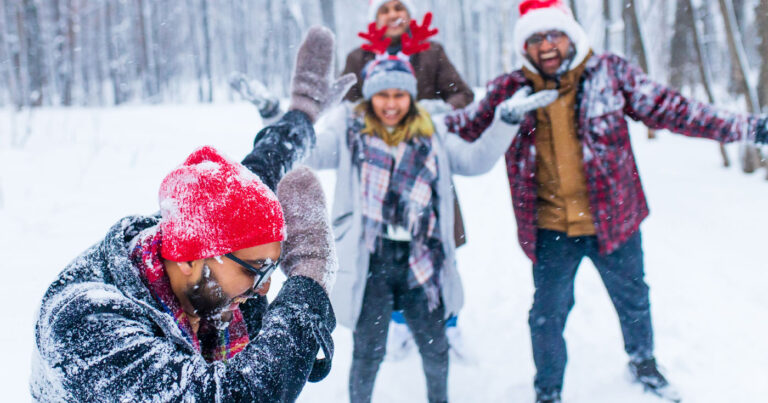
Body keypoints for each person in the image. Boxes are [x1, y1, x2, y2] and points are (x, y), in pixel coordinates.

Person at [444, 1, 768, 402]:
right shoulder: (509, 90)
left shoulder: (609, 73)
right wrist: (396, 117)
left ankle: (643, 363)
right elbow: (457, 126)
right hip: (551, 230)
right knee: (546, 318)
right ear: (523, 46)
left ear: (570, 36)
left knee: (634, 301)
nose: (546, 45)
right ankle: (547, 389)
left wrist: (750, 127)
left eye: (554, 35)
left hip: (614, 223)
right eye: (535, 38)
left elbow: (677, 111)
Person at [30, 26, 356, 402]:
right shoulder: (85, 325)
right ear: (188, 258)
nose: (265, 287)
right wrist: (309, 278)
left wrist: (302, 113)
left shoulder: (200, 227)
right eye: (256, 269)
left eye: (273, 268)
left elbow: (266, 163)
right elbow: (228, 397)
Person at [306, 31, 558, 402]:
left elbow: (475, 160)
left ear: (410, 96)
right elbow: (309, 152)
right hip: (370, 260)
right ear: (371, 95)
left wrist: (505, 121)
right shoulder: (348, 131)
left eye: (399, 95)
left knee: (435, 349)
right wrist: (279, 116)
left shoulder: (432, 131)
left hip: (422, 258)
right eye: (382, 95)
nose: (390, 104)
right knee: (368, 352)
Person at [343, 0, 476, 362]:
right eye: (384, 9)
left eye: (399, 6)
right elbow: (345, 107)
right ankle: (403, 327)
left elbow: (463, 94)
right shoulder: (359, 58)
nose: (392, 14)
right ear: (375, 18)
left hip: (429, 170)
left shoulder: (431, 52)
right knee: (387, 256)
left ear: (410, 13)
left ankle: (449, 326)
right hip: (376, 176)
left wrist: (440, 109)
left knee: (438, 245)